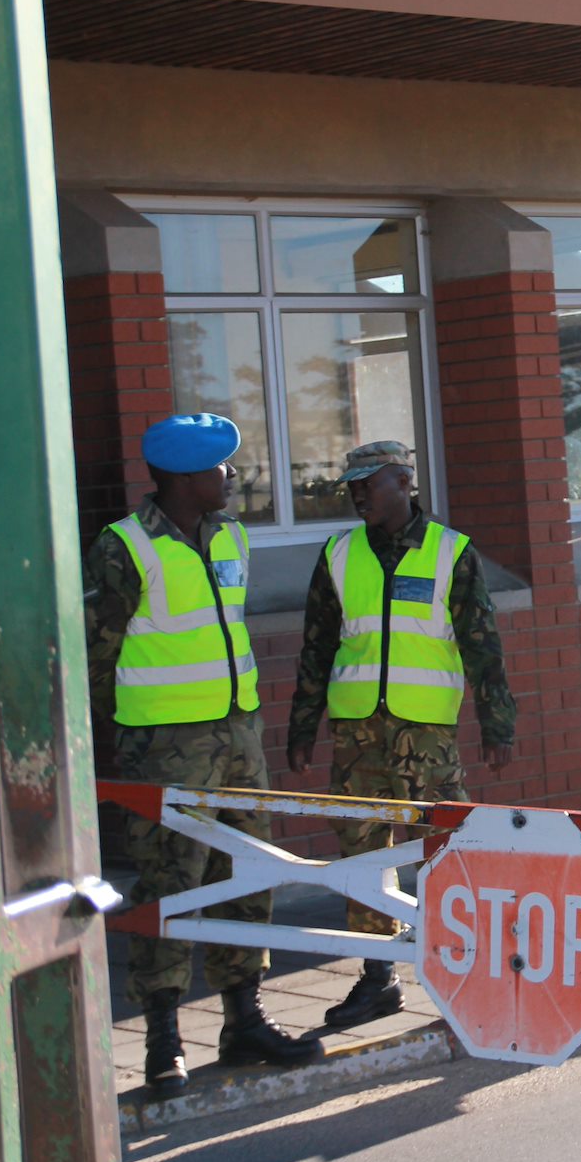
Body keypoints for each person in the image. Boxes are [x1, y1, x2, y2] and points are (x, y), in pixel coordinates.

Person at [86, 413, 322, 1094]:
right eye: (221, 468)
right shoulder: (123, 547)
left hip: (237, 732)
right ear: (187, 477)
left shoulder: (231, 537)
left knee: (247, 871)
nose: (231, 478)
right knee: (170, 883)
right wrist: (126, 736)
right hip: (165, 743)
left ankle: (243, 1016)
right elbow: (99, 651)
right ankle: (163, 1035)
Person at [286, 441, 516, 1026]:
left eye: (370, 483)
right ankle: (377, 975)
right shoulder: (339, 553)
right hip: (358, 733)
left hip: (428, 735)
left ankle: (473, 965)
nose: (358, 494)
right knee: (362, 853)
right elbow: (316, 648)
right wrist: (302, 726)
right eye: (352, 486)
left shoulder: (450, 551)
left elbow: (482, 647)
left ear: (404, 481)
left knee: (450, 850)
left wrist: (497, 725)